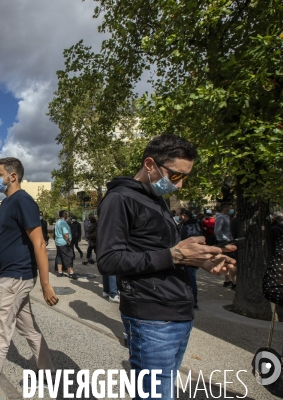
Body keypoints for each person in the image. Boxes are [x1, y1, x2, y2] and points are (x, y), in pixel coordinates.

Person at [97, 134, 236, 400]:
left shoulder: (156, 199)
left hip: (177, 313)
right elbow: (109, 260)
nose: (180, 184)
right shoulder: (119, 198)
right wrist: (175, 255)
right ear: (150, 164)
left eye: (185, 177)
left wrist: (202, 260)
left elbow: (165, 252)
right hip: (151, 319)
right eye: (175, 176)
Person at [0, 157, 58, 400]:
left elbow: (39, 242)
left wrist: (46, 284)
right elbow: (4, 242)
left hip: (16, 279)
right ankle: (49, 373)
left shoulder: (24, 201)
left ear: (13, 176)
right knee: (30, 330)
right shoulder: (6, 203)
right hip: (9, 275)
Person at [179, 208, 203, 309]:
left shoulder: (191, 226)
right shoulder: (186, 225)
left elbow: (188, 241)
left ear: (184, 215)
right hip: (185, 256)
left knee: (190, 279)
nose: (178, 216)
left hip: (189, 257)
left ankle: (193, 302)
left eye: (178, 214)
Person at [215, 202, 237, 289]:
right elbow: (217, 230)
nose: (232, 209)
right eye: (230, 207)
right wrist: (227, 240)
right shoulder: (220, 218)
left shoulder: (229, 217)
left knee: (228, 262)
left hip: (229, 241)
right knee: (230, 262)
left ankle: (228, 280)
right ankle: (232, 281)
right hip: (225, 242)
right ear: (225, 208)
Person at [54, 210, 77, 279]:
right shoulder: (63, 223)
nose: (67, 214)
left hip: (58, 242)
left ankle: (60, 272)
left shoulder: (58, 222)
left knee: (59, 256)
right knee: (69, 256)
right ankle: (71, 272)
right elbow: (65, 234)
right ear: (64, 215)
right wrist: (69, 242)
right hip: (64, 242)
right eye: (66, 213)